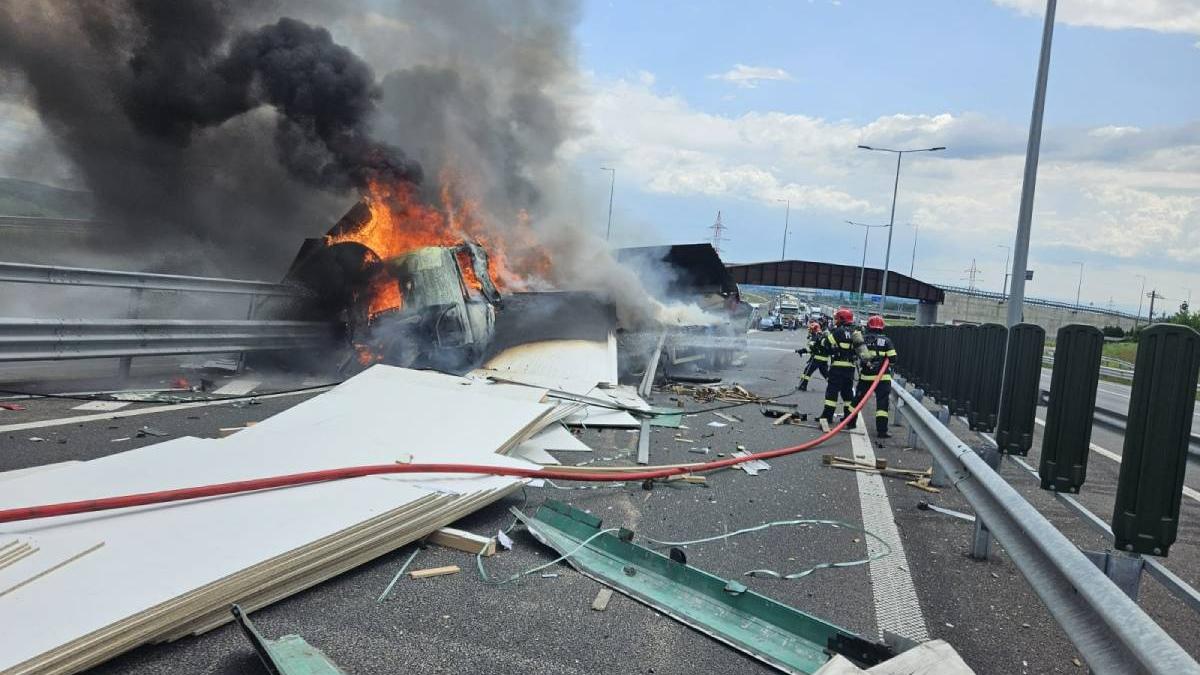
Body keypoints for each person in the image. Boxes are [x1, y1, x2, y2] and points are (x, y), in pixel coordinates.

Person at [820, 307, 870, 427]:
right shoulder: (855, 332)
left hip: (837, 367)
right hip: (850, 369)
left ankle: (827, 417)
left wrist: (825, 337)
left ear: (841, 319)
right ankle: (850, 420)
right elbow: (862, 352)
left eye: (837, 318)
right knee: (847, 394)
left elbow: (825, 344)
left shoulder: (838, 332)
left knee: (832, 393)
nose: (836, 320)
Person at [854, 314, 898, 438]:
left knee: (857, 400)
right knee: (882, 405)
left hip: (866, 377)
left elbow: (856, 354)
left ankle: (850, 422)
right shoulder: (887, 341)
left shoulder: (862, 339)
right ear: (882, 327)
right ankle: (882, 431)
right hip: (882, 378)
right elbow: (893, 359)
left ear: (869, 326)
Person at [796, 321, 829, 391]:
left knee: (807, 372)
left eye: (811, 330)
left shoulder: (815, 337)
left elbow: (810, 349)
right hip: (824, 359)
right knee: (825, 373)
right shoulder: (820, 336)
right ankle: (834, 386)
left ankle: (802, 386)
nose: (810, 331)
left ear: (814, 330)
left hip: (817, 358)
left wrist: (801, 351)